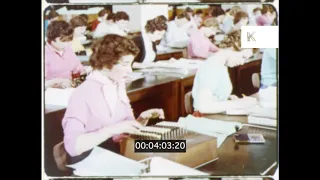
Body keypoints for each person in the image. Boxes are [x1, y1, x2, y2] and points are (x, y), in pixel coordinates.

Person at [62, 34, 165, 163]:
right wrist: (113, 129)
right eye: (125, 64)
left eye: (131, 64)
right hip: (88, 161)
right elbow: (72, 147)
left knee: (172, 153)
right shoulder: (82, 93)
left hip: (112, 154)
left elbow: (122, 132)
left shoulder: (117, 84)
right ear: (106, 63)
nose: (129, 70)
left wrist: (140, 120)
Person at [192, 30, 256, 115]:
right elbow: (203, 106)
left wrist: (226, 99)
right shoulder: (212, 67)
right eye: (243, 57)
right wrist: (238, 104)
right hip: (204, 119)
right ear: (233, 48)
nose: (242, 63)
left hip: (214, 116)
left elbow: (213, 93)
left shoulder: (221, 64)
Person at [45, 21, 85, 89]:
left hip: (68, 90)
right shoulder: (45, 53)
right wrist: (57, 82)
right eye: (64, 41)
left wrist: (89, 69)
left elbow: (78, 69)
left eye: (69, 40)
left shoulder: (68, 50)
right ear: (52, 39)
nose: (68, 44)